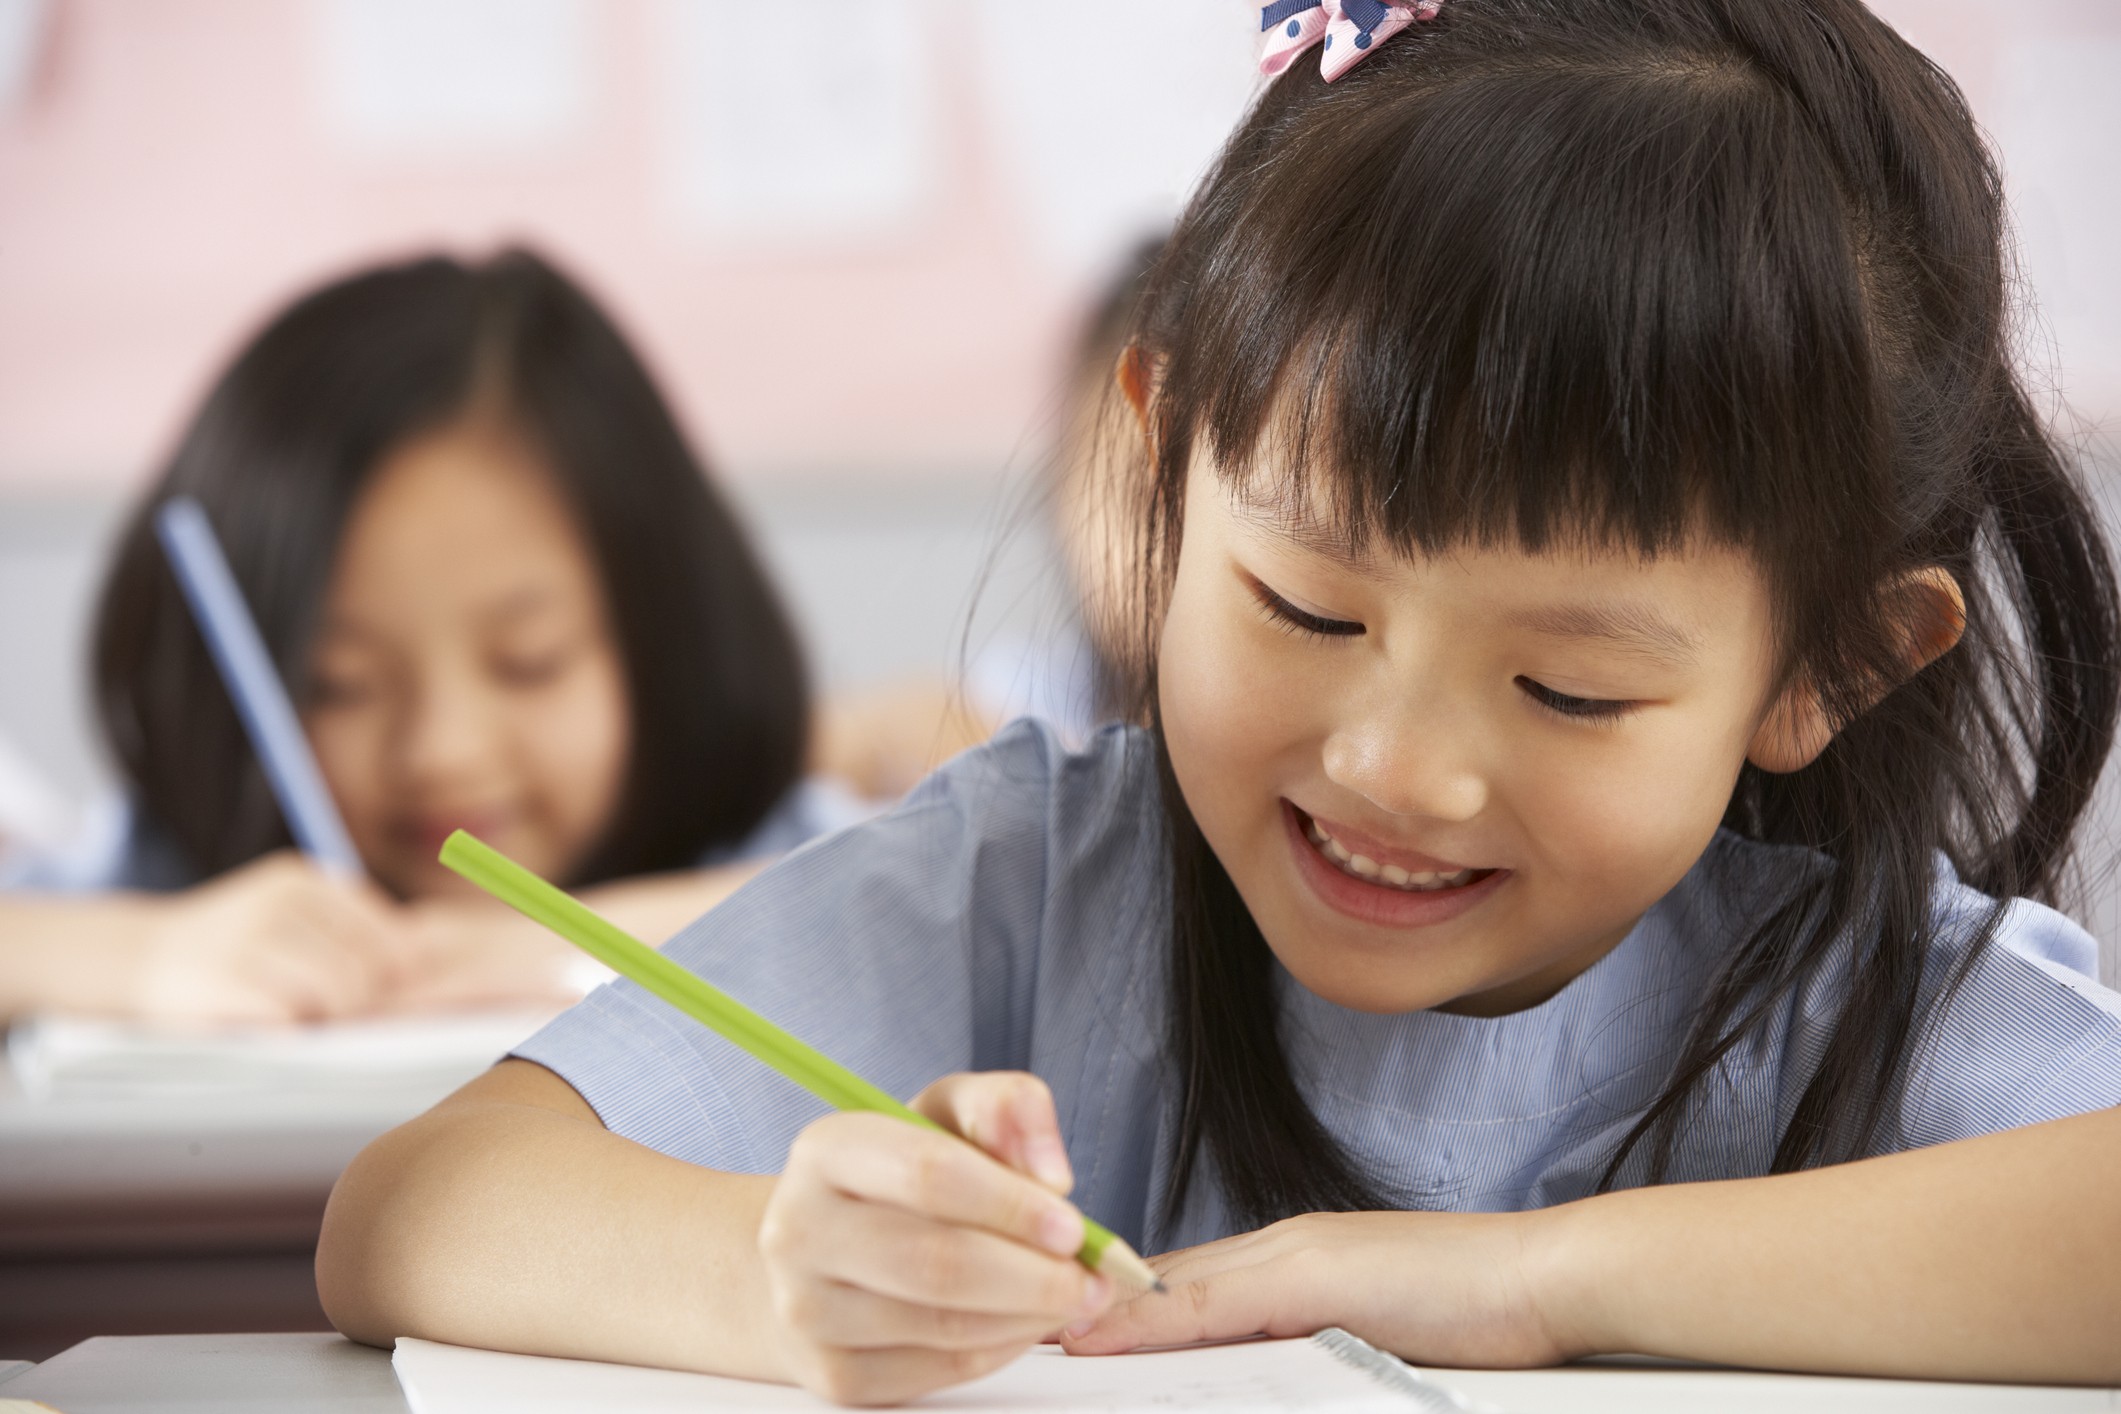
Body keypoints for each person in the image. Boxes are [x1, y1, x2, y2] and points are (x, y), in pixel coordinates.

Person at [315, 0, 2121, 1401]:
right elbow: (409, 1207)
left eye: (1567, 687)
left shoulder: (1876, 1001)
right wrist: (783, 1272)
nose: (1392, 763)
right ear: (1165, 455)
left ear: (1832, 667)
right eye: (1302, 604)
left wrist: (1528, 1275)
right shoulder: (1031, 888)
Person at [0, 248, 850, 1026]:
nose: (443, 752)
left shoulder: (761, 850)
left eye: (529, 664)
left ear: (668, 640)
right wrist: (138, 954)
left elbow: (907, 911)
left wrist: (565, 944)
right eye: (338, 683)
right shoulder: (177, 886)